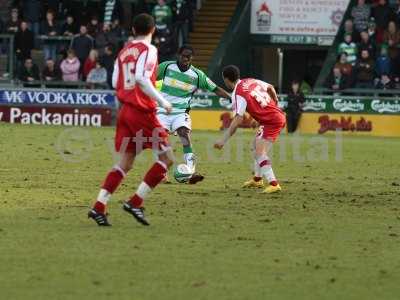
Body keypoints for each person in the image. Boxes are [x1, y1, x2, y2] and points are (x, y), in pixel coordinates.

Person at [88, 13, 173, 227]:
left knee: (125, 163)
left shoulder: (124, 51)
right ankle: (135, 202)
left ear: (133, 30)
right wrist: (163, 102)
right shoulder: (149, 49)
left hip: (125, 110)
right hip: (142, 111)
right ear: (153, 30)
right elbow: (141, 79)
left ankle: (99, 206)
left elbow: (115, 80)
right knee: (166, 159)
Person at [156, 45, 230, 182]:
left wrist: (231, 98)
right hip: (162, 110)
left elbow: (215, 88)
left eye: (189, 57)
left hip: (181, 112)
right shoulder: (166, 67)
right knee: (161, 139)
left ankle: (191, 171)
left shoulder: (197, 75)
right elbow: (149, 78)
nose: (186, 59)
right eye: (184, 55)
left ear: (192, 58)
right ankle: (161, 173)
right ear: (178, 55)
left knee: (184, 134)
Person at [214, 65, 286, 194]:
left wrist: (223, 140)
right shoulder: (250, 80)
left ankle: (274, 184)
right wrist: (274, 103)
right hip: (273, 118)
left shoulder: (238, 93)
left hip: (272, 122)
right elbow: (270, 87)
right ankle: (257, 179)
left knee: (260, 152)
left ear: (226, 80)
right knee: (255, 147)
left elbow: (237, 120)